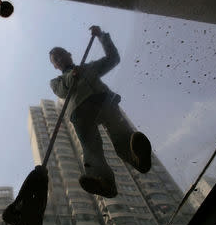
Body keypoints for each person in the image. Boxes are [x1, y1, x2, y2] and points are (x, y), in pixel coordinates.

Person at [49, 25, 152, 198]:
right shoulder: (56, 81)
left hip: (103, 101)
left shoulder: (90, 68)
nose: (59, 58)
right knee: (91, 149)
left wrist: (102, 37)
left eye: (61, 54)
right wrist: (72, 75)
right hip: (80, 112)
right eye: (55, 59)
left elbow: (113, 59)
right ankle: (104, 182)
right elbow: (61, 90)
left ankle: (138, 159)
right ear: (55, 66)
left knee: (122, 135)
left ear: (69, 54)